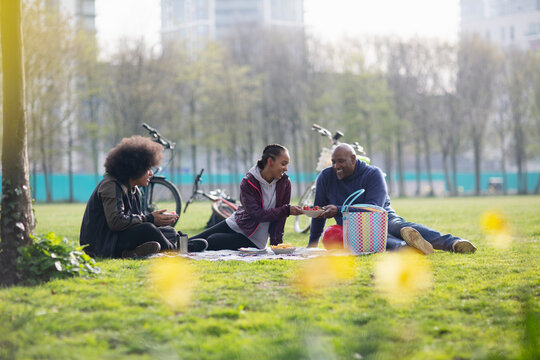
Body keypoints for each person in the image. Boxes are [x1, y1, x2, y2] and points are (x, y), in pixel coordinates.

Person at [307, 143, 477, 254]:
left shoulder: (372, 174)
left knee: (398, 227)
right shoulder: (326, 177)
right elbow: (318, 211)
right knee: (360, 237)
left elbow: (375, 207)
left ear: (353, 159)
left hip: (381, 217)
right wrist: (312, 246)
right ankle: (407, 248)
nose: (336, 166)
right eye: (333, 162)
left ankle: (454, 243)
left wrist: (340, 209)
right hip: (351, 226)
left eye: (341, 161)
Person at [80, 136, 207, 258]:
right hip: (100, 245)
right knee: (148, 229)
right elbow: (116, 222)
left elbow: (134, 223)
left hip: (116, 238)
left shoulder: (135, 189)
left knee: (169, 231)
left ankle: (133, 252)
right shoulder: (110, 186)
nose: (151, 173)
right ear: (134, 169)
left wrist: (159, 221)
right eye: (148, 169)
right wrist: (150, 218)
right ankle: (175, 250)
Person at [190, 144, 303, 250]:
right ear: (270, 162)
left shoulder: (285, 183)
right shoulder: (248, 181)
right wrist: (287, 210)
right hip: (236, 223)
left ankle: (187, 246)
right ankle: (174, 245)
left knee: (213, 240)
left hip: (254, 239)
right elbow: (257, 214)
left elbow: (280, 218)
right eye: (283, 164)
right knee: (193, 239)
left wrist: (277, 246)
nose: (286, 169)